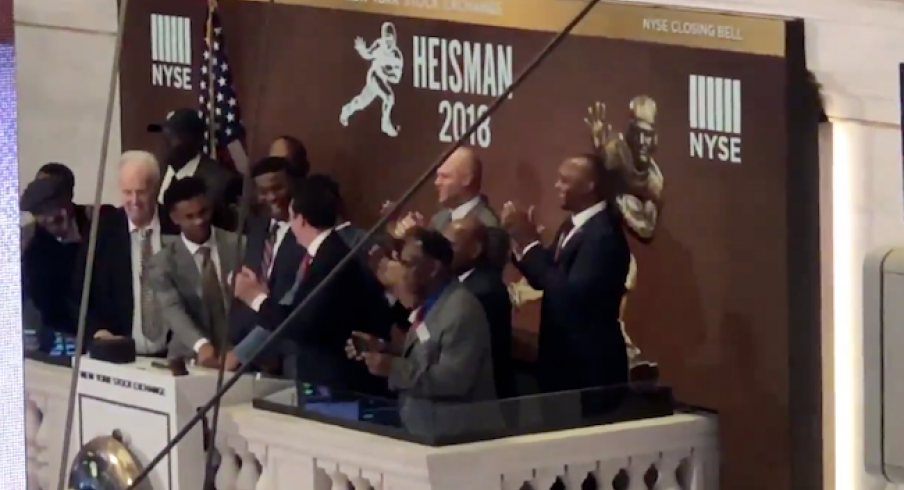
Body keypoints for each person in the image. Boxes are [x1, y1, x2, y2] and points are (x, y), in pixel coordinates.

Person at [232, 178, 387, 392]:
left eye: (291, 217)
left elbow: (300, 326)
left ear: (301, 219)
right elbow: (302, 313)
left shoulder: (330, 259)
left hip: (335, 384)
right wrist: (262, 294)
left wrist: (254, 297)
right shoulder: (325, 253)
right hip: (323, 378)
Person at [502, 153, 631, 395]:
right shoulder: (571, 226)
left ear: (589, 186)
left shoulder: (603, 236)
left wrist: (529, 242)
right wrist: (519, 243)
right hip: (561, 362)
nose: (557, 186)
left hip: (589, 369)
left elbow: (568, 294)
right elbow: (544, 276)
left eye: (565, 180)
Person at [347, 228, 497, 404]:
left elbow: (453, 381)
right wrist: (383, 348)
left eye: (408, 264)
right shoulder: (430, 302)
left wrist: (392, 368)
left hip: (453, 427)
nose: (402, 273)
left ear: (433, 268)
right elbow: (426, 358)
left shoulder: (462, 311)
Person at [146, 177, 244, 366]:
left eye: (203, 212)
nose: (199, 220)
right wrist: (201, 345)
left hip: (239, 357)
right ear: (175, 218)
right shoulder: (162, 263)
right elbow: (173, 310)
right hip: (189, 359)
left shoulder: (241, 245)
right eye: (190, 217)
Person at [87, 151, 175, 355]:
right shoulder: (102, 232)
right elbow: (80, 293)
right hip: (121, 355)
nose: (134, 201)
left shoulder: (176, 225)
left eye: (141, 192)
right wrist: (98, 331)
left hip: (175, 355)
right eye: (128, 192)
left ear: (155, 188)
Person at [227, 157, 306, 372]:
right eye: (263, 191)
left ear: (293, 185)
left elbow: (290, 306)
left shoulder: (307, 234)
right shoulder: (257, 228)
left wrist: (241, 352)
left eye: (278, 188)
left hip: (287, 359)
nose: (271, 197)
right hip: (248, 358)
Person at [21, 170, 107, 351]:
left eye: (60, 216)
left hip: (105, 330)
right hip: (59, 334)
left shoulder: (102, 224)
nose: (57, 223)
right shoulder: (32, 247)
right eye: (46, 220)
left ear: (69, 202)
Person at [391, 147, 508, 271]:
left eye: (445, 177)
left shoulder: (487, 224)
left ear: (466, 179)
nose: (437, 182)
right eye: (437, 176)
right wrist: (414, 238)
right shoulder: (439, 219)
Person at [442, 217, 516, 399]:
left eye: (450, 245)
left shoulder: (481, 290)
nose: (442, 253)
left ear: (474, 250)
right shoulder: (463, 283)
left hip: (484, 401)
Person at [148, 107, 242, 231]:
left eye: (173, 137)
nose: (165, 143)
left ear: (196, 140)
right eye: (164, 136)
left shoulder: (221, 182)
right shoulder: (158, 171)